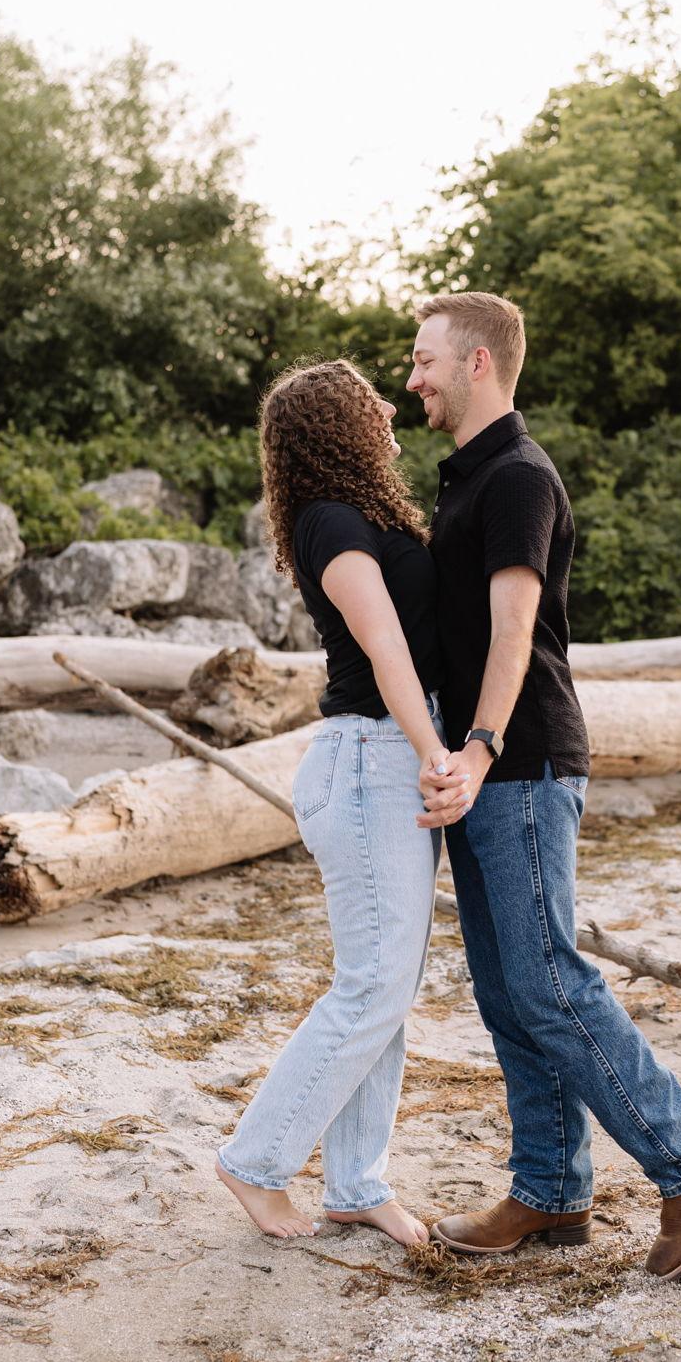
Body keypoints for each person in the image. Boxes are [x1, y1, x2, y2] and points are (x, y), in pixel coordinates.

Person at [406, 292, 681, 1279]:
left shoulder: (518, 476)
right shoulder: (468, 478)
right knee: (508, 992)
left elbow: (513, 631)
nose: (412, 377)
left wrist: (477, 746)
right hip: (483, 769)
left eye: (425, 359)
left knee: (549, 982)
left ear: (477, 363)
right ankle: (551, 1187)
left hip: (519, 761)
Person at [213, 359, 463, 1250]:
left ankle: (356, 1184)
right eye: (369, 399)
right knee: (372, 985)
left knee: (385, 988)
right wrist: (435, 753)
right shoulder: (332, 522)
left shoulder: (359, 515)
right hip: (370, 762)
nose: (390, 404)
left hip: (385, 757)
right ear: (338, 427)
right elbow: (386, 649)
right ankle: (256, 1162)